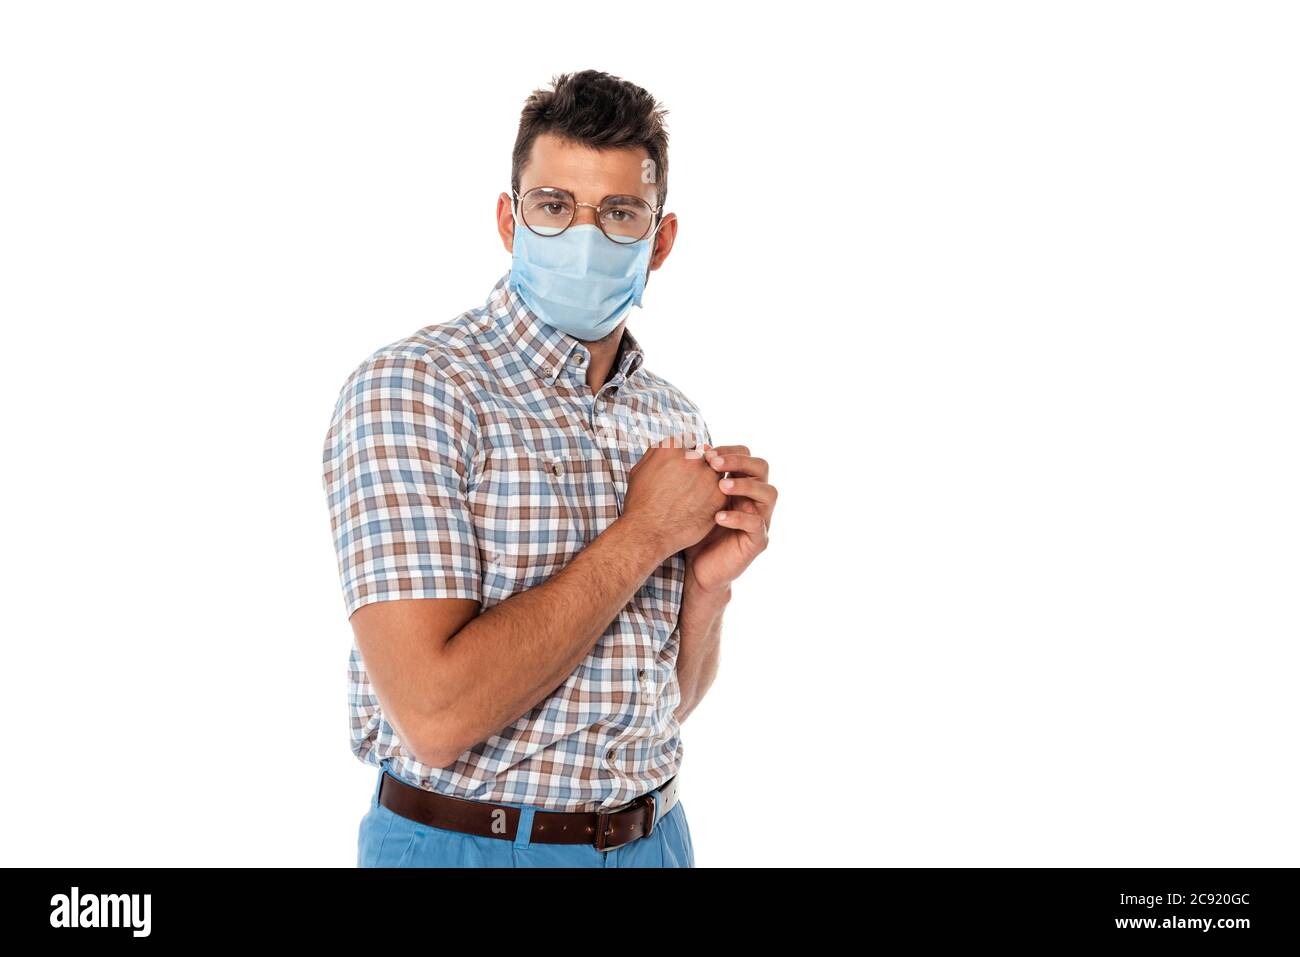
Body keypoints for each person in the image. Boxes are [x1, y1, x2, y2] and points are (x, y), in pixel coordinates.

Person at [320, 69, 777, 867]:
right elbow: (435, 711)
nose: (587, 238)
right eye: (555, 206)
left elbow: (658, 702)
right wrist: (642, 535)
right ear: (510, 219)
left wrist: (707, 584)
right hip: (469, 844)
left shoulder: (669, 418)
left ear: (659, 240)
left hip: (654, 838)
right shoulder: (417, 389)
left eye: (621, 213)